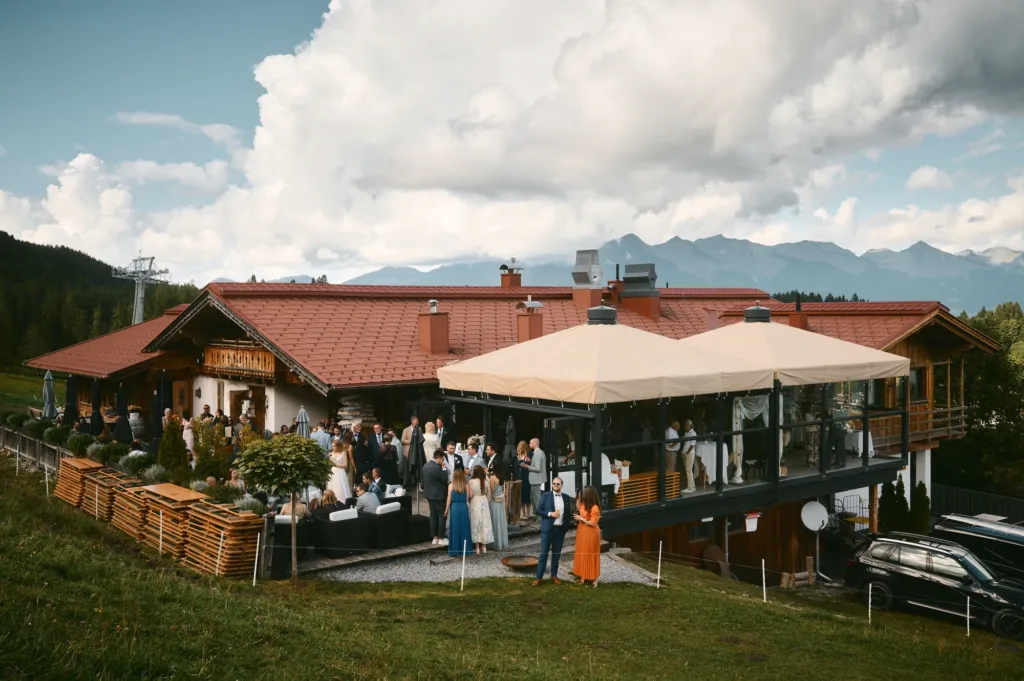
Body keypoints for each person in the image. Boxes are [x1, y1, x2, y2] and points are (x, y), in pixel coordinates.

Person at [533, 476, 573, 586]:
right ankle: (538, 577)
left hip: (560, 530)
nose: (555, 485)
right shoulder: (546, 496)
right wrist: (550, 514)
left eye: (558, 484)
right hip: (547, 529)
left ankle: (554, 575)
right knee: (544, 553)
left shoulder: (566, 497)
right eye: (554, 483)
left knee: (556, 553)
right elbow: (538, 510)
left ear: (562, 485)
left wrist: (566, 527)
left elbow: (568, 514)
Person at [572, 486, 602, 587]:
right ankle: (583, 576)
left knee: (591, 553)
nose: (583, 495)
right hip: (582, 531)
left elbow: (593, 523)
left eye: (584, 493)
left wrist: (581, 519)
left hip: (591, 532)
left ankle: (594, 578)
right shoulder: (584, 504)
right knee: (582, 553)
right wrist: (577, 497)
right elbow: (578, 507)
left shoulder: (595, 507)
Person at [422, 449, 449, 546]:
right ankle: (441, 538)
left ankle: (435, 538)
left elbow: (422, 482)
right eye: (443, 459)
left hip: (429, 494)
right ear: (439, 458)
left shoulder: (425, 466)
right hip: (439, 495)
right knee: (442, 516)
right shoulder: (438, 468)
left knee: (433, 516)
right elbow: (445, 479)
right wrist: (445, 470)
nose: (443, 461)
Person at [445, 468, 472, 558]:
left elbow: (449, 499)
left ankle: (455, 551)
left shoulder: (451, 485)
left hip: (455, 508)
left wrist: (446, 509)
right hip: (463, 508)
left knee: (455, 529)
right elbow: (467, 498)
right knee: (464, 529)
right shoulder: (466, 485)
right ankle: (465, 550)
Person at [468, 465, 493, 554]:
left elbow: (470, 495)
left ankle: (477, 547)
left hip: (475, 501)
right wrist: (486, 503)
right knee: (484, 524)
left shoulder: (470, 482)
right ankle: (484, 546)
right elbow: (489, 495)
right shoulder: (486, 482)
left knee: (476, 523)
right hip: (484, 501)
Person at [488, 460, 509, 550]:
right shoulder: (502, 477)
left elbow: (491, 490)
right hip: (501, 502)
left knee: (495, 521)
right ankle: (502, 542)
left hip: (494, 501)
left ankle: (495, 542)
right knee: (501, 521)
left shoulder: (492, 478)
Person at [327, 438, 353, 503]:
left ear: (338, 446)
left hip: (340, 472)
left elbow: (345, 465)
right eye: (332, 446)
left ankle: (342, 502)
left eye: (334, 446)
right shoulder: (331, 453)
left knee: (340, 488)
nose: (333, 448)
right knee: (332, 487)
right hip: (332, 472)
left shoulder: (343, 453)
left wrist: (336, 464)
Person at [526, 437, 547, 512]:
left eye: (530, 443)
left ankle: (539, 517)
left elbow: (538, 469)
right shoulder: (538, 453)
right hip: (535, 480)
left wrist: (527, 466)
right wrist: (530, 461)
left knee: (536, 498)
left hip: (536, 480)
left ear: (535, 444)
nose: (529, 445)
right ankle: (537, 515)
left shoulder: (538, 453)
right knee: (533, 498)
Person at [517, 441, 532, 522]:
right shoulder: (518, 456)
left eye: (522, 446)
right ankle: (523, 512)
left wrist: (528, 462)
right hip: (520, 477)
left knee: (527, 495)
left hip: (528, 477)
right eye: (520, 446)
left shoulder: (529, 455)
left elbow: (533, 466)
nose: (521, 448)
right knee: (522, 496)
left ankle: (528, 513)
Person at [682, 419, 697, 493]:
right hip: (685, 452)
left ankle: (690, 488)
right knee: (688, 470)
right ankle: (693, 487)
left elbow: (692, 445)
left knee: (688, 470)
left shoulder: (693, 433)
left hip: (690, 453)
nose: (685, 426)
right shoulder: (686, 433)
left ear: (689, 426)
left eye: (686, 425)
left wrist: (687, 453)